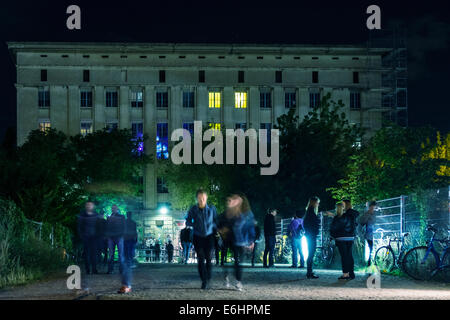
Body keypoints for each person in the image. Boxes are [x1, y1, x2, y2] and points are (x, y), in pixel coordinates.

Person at [218, 194, 256, 291]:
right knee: (226, 259)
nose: (234, 201)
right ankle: (227, 276)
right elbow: (219, 222)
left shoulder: (247, 214)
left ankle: (238, 280)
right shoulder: (227, 213)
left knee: (239, 261)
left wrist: (251, 240)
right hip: (229, 239)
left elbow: (251, 227)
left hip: (241, 240)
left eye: (237, 199)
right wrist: (221, 230)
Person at [186, 189, 218, 290]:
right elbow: (188, 220)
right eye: (199, 198)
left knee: (208, 258)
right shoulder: (193, 209)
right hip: (198, 236)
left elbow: (216, 221)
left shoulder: (212, 209)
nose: (201, 200)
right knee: (200, 259)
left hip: (209, 236)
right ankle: (203, 280)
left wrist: (215, 227)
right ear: (197, 198)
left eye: (203, 198)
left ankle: (208, 278)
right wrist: (192, 224)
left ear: (206, 198)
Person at [329, 200, 360, 280]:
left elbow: (334, 228)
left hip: (341, 238)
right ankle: (351, 273)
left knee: (344, 256)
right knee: (349, 255)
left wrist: (333, 236)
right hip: (350, 238)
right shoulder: (351, 215)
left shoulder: (340, 217)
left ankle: (345, 274)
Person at [77, 201, 102, 275]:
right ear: (85, 206)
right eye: (87, 205)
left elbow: (99, 226)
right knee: (86, 254)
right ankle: (88, 269)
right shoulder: (82, 215)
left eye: (90, 205)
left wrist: (99, 236)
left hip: (94, 237)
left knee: (94, 254)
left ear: (93, 206)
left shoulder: (96, 215)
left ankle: (94, 269)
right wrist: (81, 235)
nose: (89, 206)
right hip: (86, 237)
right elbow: (79, 226)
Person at [303, 196, 321, 279]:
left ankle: (309, 271)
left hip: (310, 234)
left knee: (311, 253)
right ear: (314, 203)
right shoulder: (311, 212)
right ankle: (309, 272)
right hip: (311, 235)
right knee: (311, 253)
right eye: (317, 202)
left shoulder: (309, 212)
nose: (318, 204)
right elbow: (312, 223)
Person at [358, 201, 377, 267]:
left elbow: (374, 222)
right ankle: (368, 263)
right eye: (372, 207)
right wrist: (368, 215)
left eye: (374, 207)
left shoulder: (373, 214)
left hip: (370, 233)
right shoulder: (367, 213)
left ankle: (369, 262)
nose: (373, 208)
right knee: (370, 247)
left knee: (371, 247)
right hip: (366, 233)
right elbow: (362, 222)